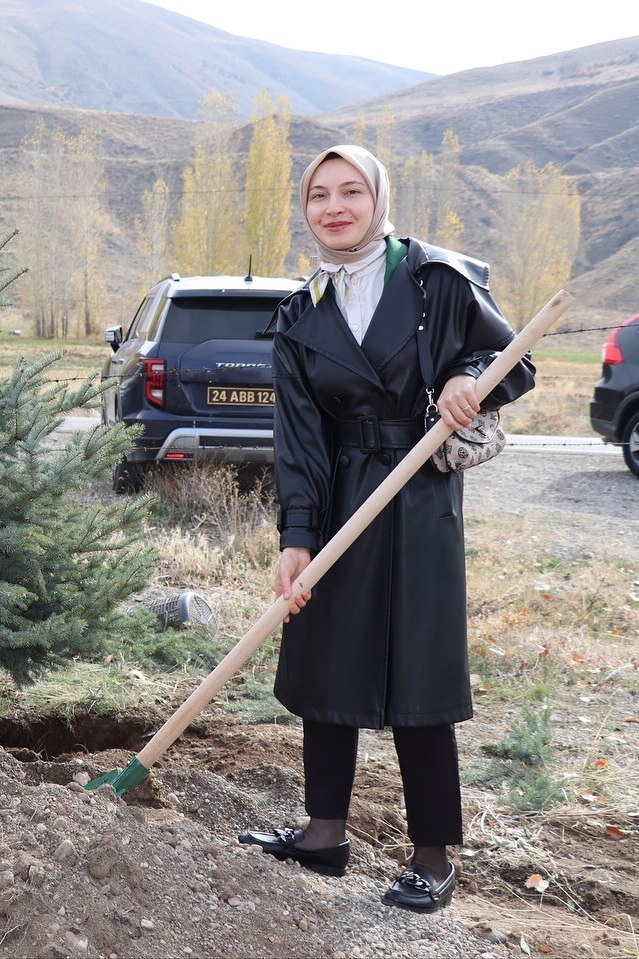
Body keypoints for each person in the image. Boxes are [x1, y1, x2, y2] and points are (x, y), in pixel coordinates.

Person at [238, 145, 536, 912]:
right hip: (340, 496)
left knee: (420, 669)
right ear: (305, 210)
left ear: (377, 197)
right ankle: (324, 833)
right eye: (318, 196)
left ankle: (434, 853)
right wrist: (296, 539)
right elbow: (297, 440)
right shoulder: (301, 312)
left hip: (420, 496)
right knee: (325, 656)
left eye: (349, 192)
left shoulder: (436, 280)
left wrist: (469, 374)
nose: (334, 207)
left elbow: (513, 356)